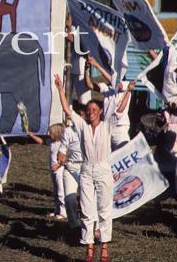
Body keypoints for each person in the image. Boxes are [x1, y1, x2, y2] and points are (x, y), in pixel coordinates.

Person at [56, 73, 134, 262]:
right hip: (86, 170)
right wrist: (60, 88)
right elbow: (67, 110)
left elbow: (120, 110)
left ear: (100, 111)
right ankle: (89, 247)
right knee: (87, 208)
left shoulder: (107, 126)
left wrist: (128, 92)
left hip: (103, 169)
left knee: (104, 208)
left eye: (94, 109)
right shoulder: (82, 126)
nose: (90, 112)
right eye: (88, 110)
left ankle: (104, 247)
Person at [84, 56, 131, 149]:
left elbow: (117, 84)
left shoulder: (126, 85)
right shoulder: (107, 88)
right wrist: (87, 69)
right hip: (107, 127)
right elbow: (89, 84)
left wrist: (97, 65)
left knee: (123, 153)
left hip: (119, 128)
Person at [26, 123, 67, 220]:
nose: (49, 134)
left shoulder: (63, 144)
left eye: (51, 133)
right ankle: (57, 210)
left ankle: (64, 212)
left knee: (61, 191)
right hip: (53, 169)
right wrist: (32, 135)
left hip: (60, 170)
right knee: (56, 191)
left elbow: (65, 157)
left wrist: (58, 165)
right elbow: (41, 141)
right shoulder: (52, 142)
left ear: (57, 133)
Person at [56, 104, 85, 230]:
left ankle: (89, 224)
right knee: (70, 199)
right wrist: (60, 156)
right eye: (79, 115)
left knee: (87, 199)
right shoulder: (68, 131)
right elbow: (62, 149)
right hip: (71, 167)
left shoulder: (90, 129)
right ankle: (74, 225)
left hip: (86, 168)